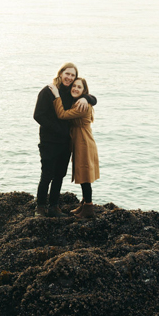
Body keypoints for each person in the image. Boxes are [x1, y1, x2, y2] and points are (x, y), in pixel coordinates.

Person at [33, 63, 97, 217]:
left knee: (59, 175)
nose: (69, 77)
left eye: (72, 75)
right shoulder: (48, 91)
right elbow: (38, 115)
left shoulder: (71, 92)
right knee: (47, 174)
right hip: (49, 141)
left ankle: (54, 207)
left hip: (65, 142)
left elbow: (89, 96)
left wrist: (88, 98)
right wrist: (58, 129)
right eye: (67, 74)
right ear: (60, 73)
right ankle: (40, 208)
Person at [49, 77, 99, 219]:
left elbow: (62, 114)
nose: (75, 88)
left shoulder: (81, 106)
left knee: (84, 175)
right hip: (80, 140)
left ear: (84, 90)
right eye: (74, 86)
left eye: (79, 87)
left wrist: (57, 96)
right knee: (83, 173)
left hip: (83, 142)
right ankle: (84, 204)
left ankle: (88, 207)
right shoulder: (79, 101)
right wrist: (87, 98)